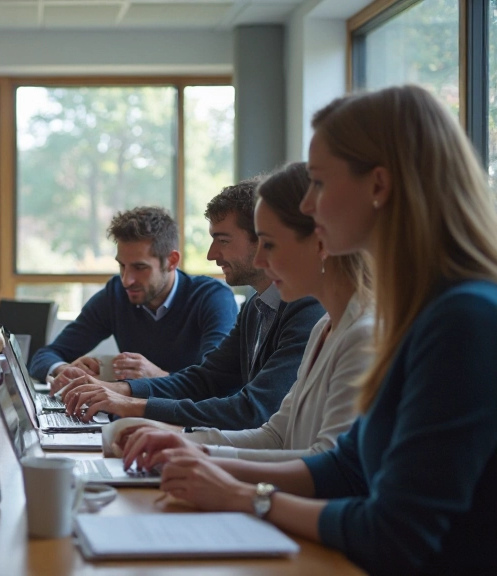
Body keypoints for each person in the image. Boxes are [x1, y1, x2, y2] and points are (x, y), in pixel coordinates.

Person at [122, 85, 497, 574]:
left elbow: (395, 532)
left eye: (318, 184)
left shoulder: (462, 317)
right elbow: (345, 465)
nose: (309, 204)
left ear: (379, 186)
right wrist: (203, 455)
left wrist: (246, 497)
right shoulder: (422, 310)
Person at [116, 162, 373, 462]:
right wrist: (185, 445)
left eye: (270, 244)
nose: (262, 260)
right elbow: (275, 434)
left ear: (320, 242)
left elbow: (327, 464)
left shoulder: (344, 326)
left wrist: (229, 484)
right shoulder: (317, 326)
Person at [57, 181, 325, 431]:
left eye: (223, 240)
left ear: (265, 240)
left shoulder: (309, 308)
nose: (211, 254)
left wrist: (130, 405)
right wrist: (117, 390)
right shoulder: (257, 306)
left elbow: (254, 410)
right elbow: (205, 379)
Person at [28, 206, 238, 382]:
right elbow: (43, 357)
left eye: (140, 267)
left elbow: (216, 383)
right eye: (122, 266)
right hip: (131, 416)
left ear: (171, 261)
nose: (127, 280)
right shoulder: (116, 295)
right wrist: (63, 369)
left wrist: (158, 376)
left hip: (188, 424)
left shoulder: (211, 297)